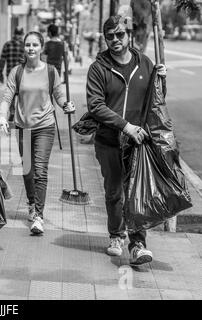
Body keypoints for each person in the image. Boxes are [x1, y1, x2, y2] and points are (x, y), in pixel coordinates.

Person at [86, 15, 166, 265]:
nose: (115, 40)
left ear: (128, 34)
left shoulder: (144, 63)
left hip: (137, 142)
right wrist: (125, 126)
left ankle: (138, 244)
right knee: (114, 192)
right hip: (109, 140)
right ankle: (115, 234)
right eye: (109, 36)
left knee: (135, 192)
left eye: (119, 34)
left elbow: (156, 102)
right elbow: (96, 106)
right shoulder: (98, 68)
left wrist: (161, 80)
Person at [0, 31, 75, 235]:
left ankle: (38, 216)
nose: (31, 48)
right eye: (28, 45)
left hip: (45, 127)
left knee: (40, 170)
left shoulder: (50, 71)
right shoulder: (17, 72)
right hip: (23, 126)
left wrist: (66, 104)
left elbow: (58, 94)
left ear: (41, 48)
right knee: (27, 169)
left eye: (34, 45)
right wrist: (2, 117)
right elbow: (7, 98)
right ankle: (32, 203)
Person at [0, 26, 25, 121]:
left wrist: (0, 73)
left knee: (11, 94)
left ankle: (12, 111)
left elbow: (2, 60)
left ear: (14, 33)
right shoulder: (24, 45)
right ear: (22, 34)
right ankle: (21, 114)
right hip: (22, 75)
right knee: (22, 94)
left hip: (10, 74)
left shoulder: (7, 44)